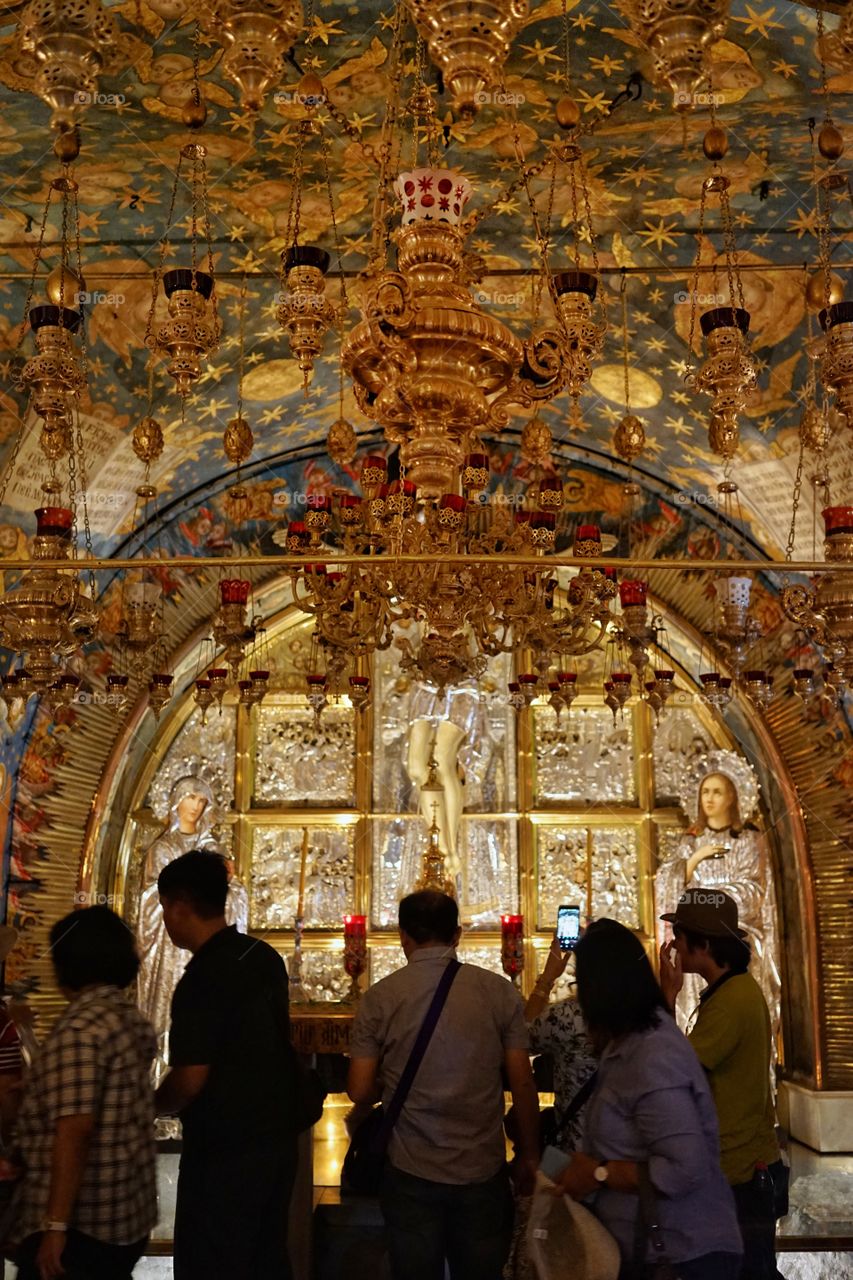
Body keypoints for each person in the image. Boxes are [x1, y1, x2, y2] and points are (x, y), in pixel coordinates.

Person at [347, 889, 538, 1280]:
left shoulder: (380, 997)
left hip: (410, 1168)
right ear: (458, 934)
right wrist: (530, 1154)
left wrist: (389, 1083)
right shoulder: (499, 991)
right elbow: (522, 1083)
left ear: (403, 936)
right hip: (481, 1169)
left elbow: (359, 1089)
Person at [553, 918, 742, 1279]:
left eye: (581, 986)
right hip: (648, 1252)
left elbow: (684, 1166)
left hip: (681, 1255)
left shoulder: (653, 1054)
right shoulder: (628, 1044)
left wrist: (598, 1172)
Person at [155, 850, 298, 1280]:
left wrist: (149, 1106)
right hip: (275, 1143)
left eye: (164, 909)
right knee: (265, 1258)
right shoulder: (263, 957)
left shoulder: (202, 978)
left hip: (224, 1153)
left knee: (214, 1263)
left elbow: (190, 1079)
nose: (164, 920)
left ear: (180, 906)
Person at [12, 906, 157, 1280]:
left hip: (84, 1225)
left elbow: (75, 1129)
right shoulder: (127, 1017)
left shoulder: (80, 1029)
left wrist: (55, 1227)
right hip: (126, 1214)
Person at [659, 890, 785, 1280]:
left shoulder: (732, 1002)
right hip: (741, 1168)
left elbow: (671, 1068)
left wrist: (667, 994)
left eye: (680, 934)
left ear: (705, 945)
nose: (674, 942)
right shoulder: (734, 991)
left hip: (739, 1176)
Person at [655, 770, 780, 1044]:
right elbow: (668, 887)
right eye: (705, 791)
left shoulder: (748, 840)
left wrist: (706, 902)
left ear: (733, 797)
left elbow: (753, 893)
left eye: (717, 791)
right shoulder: (690, 843)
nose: (709, 798)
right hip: (695, 937)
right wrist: (693, 861)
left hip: (736, 934)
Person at [136, 775, 246, 1074]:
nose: (195, 806)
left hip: (207, 942)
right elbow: (149, 897)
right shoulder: (162, 849)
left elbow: (232, 895)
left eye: (201, 800)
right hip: (170, 947)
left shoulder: (214, 851)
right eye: (190, 798)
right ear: (176, 802)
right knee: (172, 1013)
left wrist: (231, 885)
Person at [524, 936, 596, 1153]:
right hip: (628, 1156)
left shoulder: (569, 1016)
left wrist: (547, 978)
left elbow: (524, 1036)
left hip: (576, 1150)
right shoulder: (646, 1017)